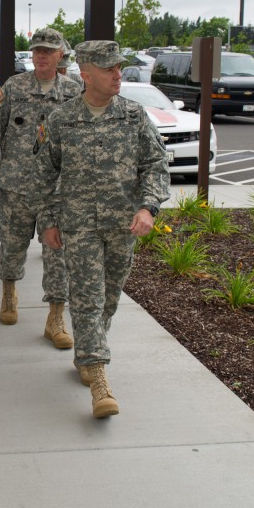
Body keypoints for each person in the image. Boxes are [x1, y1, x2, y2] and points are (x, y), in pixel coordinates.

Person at [38, 40, 170, 419]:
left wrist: (148, 207)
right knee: (87, 298)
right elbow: (44, 174)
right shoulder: (62, 119)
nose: (118, 75)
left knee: (109, 298)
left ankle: (90, 349)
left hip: (121, 226)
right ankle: (98, 378)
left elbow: (156, 165)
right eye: (110, 68)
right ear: (87, 73)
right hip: (79, 227)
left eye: (119, 68)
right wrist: (48, 220)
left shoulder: (133, 116)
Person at [0, 27, 82, 348]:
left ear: (60, 55)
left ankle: (55, 316)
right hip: (16, 184)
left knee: (58, 251)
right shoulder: (13, 87)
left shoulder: (73, 91)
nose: (40, 55)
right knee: (11, 244)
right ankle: (9, 294)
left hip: (56, 189)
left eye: (47, 51)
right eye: (37, 50)